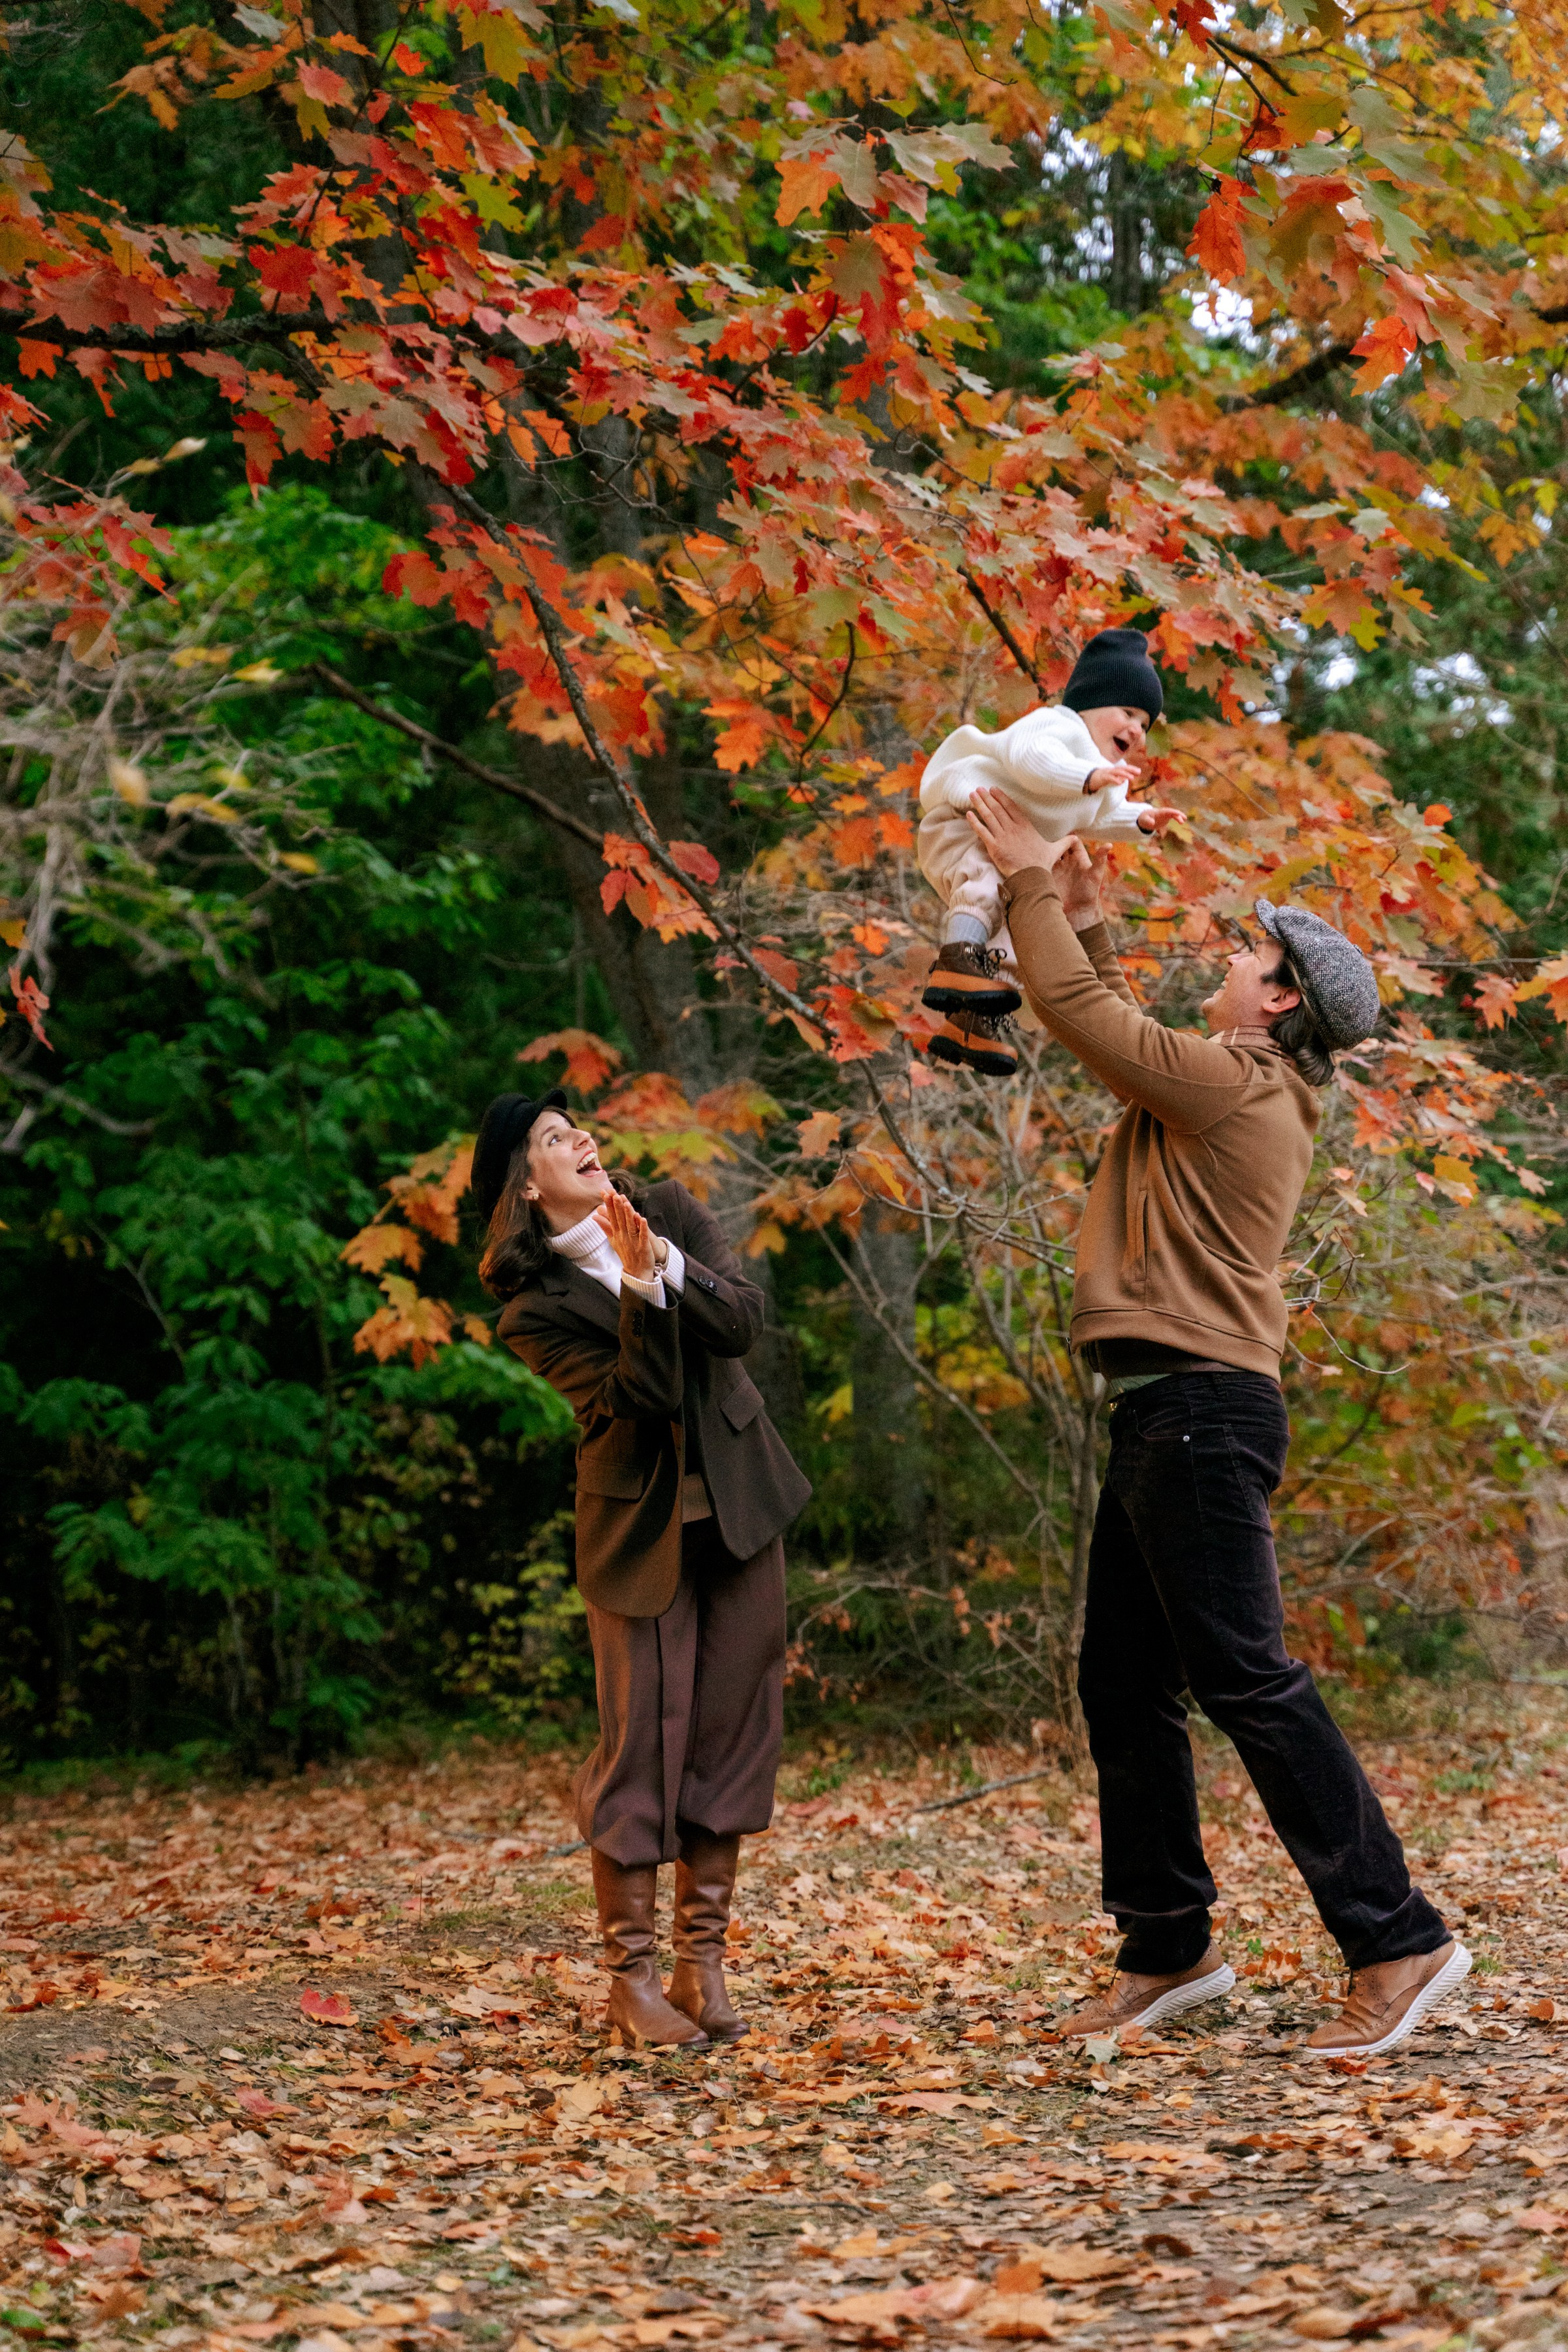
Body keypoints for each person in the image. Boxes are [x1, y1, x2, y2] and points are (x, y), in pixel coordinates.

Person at [962, 787, 1472, 2060]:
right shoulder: (1227, 1085)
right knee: (1124, 1686)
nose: (1231, 961)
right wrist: (1073, 905)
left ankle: (1396, 1935)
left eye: (1249, 955)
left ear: (1281, 999)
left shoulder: (1241, 1089)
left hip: (1195, 1407)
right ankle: (1169, 1948)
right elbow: (1120, 1017)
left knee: (1248, 1677)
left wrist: (1027, 881)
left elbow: (1089, 1021)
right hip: (1165, 1409)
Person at [474, 1090, 811, 2050]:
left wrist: (660, 1257)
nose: (578, 1138)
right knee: (642, 1749)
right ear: (524, 1185)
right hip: (639, 1536)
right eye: (550, 1138)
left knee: (731, 1734)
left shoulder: (670, 1208)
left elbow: (742, 1322)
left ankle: (702, 1967)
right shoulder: (532, 1311)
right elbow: (643, 1394)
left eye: (575, 1125)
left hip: (744, 1508)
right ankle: (633, 1982)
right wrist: (638, 1287)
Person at [917, 627, 1178, 1079]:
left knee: (1019, 939)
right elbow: (1031, 760)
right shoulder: (1059, 727)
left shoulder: (1099, 775)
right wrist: (1090, 776)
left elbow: (1101, 817)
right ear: (1093, 702)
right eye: (1129, 712)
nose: (1137, 730)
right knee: (985, 879)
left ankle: (971, 1025)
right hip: (965, 824)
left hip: (1006, 850)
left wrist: (1141, 821)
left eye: (1145, 725)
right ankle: (957, 956)